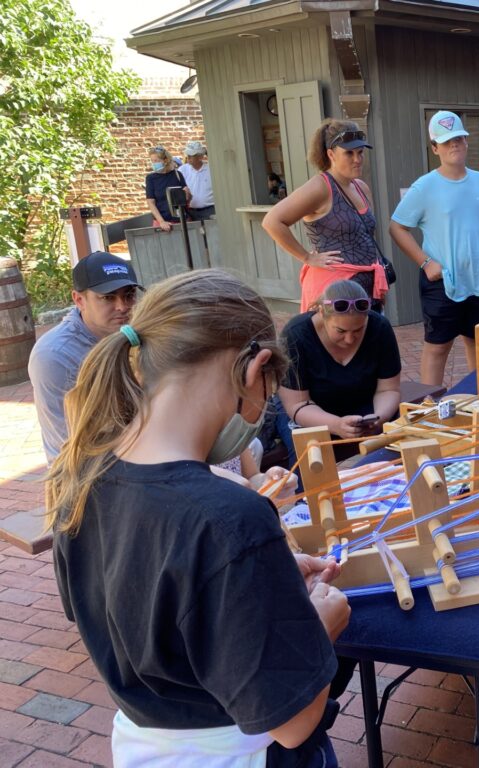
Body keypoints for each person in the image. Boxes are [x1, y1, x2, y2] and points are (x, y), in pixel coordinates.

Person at [46, 269, 350, 766]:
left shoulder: (79, 480)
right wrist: (321, 624)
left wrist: (263, 584)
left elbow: (139, 606)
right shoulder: (232, 516)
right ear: (256, 370)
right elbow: (294, 724)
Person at [389, 110, 479, 386]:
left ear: (465, 141)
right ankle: (430, 405)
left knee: (477, 342)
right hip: (442, 280)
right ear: (435, 147)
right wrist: (425, 263)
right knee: (438, 345)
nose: (454, 146)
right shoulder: (424, 187)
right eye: (447, 141)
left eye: (459, 139)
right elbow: (397, 227)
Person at [28, 252, 142, 464]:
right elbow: (77, 445)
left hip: (134, 454)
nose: (122, 306)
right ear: (79, 300)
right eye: (108, 297)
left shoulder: (135, 333)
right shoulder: (55, 356)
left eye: (129, 295)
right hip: (86, 475)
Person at [262, 119, 387, 312]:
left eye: (360, 152)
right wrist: (306, 257)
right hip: (334, 291)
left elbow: (364, 236)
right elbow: (272, 221)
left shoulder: (360, 187)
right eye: (349, 153)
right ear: (331, 154)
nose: (357, 159)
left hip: (365, 289)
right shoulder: (321, 187)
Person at [277, 279, 401, 466]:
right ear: (321, 313)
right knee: (309, 458)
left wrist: (379, 418)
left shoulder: (380, 327)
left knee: (398, 443)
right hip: (308, 411)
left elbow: (388, 390)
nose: (350, 339)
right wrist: (335, 425)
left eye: (358, 330)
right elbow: (297, 405)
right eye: (340, 331)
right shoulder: (296, 334)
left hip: (362, 406)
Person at [145, 145, 189, 232]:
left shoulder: (177, 175)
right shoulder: (151, 178)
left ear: (165, 160)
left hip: (181, 221)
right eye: (152, 161)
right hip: (162, 223)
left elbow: (186, 198)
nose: (154, 163)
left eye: (156, 161)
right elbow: (151, 202)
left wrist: (187, 194)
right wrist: (161, 222)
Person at [178, 141, 216, 221]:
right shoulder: (182, 170)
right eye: (188, 155)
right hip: (190, 211)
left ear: (200, 157)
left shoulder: (211, 169)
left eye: (191, 155)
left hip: (210, 210)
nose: (188, 157)